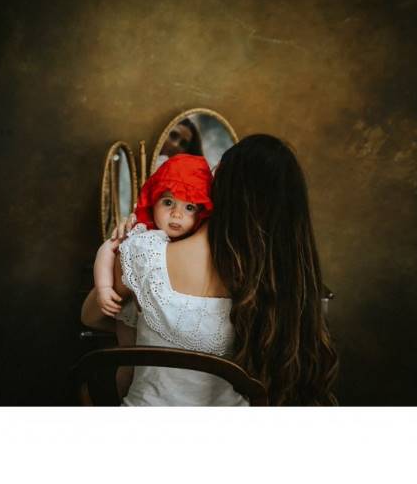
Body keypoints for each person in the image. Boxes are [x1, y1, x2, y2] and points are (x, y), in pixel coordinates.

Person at [81, 134, 338, 405]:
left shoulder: (145, 254)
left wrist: (148, 318)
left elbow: (91, 317)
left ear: (218, 183)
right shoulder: (287, 284)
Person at [82, 153, 215, 399]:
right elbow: (107, 249)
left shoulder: (193, 244)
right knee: (128, 360)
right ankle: (123, 397)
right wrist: (103, 287)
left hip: (155, 325)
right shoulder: (143, 233)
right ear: (152, 201)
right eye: (168, 202)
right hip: (129, 310)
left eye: (189, 207)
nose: (176, 214)